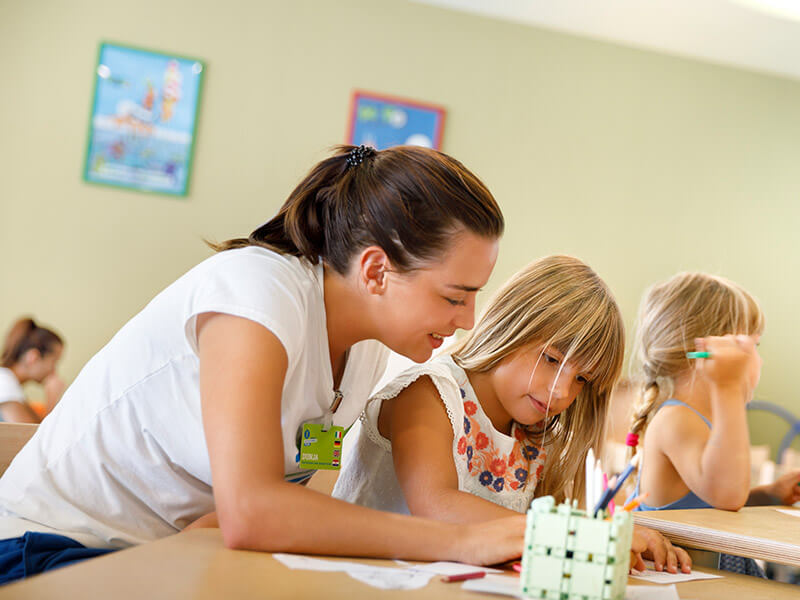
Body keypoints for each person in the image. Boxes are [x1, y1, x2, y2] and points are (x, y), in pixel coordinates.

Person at [0, 144, 525, 584]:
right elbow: (253, 510)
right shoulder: (256, 293)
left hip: (153, 559)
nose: (467, 319)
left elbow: (289, 496)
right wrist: (459, 540)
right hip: (46, 555)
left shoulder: (365, 355)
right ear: (375, 271)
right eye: (456, 296)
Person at [334, 255, 692, 573]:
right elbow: (437, 506)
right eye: (551, 359)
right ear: (511, 325)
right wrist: (581, 534)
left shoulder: (534, 429)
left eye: (581, 379)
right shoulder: (428, 392)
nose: (562, 391)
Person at [627, 272, 800, 577]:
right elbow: (727, 494)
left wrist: (767, 495)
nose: (760, 361)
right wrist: (729, 388)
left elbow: (714, 499)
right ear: (706, 356)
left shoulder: (698, 422)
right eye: (754, 346)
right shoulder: (675, 420)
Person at [0, 318, 65, 423]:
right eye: (54, 362)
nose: (54, 371)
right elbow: (30, 437)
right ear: (33, 357)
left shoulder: (11, 385)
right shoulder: (4, 383)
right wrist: (52, 400)